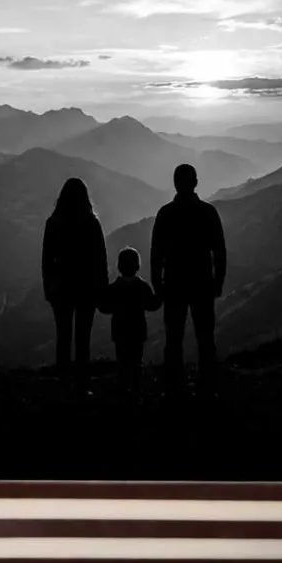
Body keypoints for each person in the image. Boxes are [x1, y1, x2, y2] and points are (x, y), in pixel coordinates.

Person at [150, 163, 227, 393]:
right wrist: (218, 281)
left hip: (174, 283)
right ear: (196, 182)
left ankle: (174, 387)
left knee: (173, 338)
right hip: (202, 282)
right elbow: (219, 251)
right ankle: (208, 386)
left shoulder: (166, 214)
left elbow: (156, 253)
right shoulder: (208, 212)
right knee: (205, 336)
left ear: (175, 183)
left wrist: (157, 284)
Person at [41, 177, 109, 393]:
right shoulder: (92, 223)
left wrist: (49, 289)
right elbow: (100, 259)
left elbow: (47, 261)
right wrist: (103, 289)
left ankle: (63, 383)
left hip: (61, 289)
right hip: (86, 288)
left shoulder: (53, 223)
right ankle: (81, 385)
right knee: (83, 338)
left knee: (63, 338)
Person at [100, 245, 160, 395]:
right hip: (138, 332)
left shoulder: (114, 288)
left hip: (119, 332)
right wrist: (162, 293)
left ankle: (122, 391)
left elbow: (105, 307)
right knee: (136, 362)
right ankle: (136, 391)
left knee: (122, 362)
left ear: (119, 266)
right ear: (137, 266)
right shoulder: (142, 287)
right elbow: (152, 305)